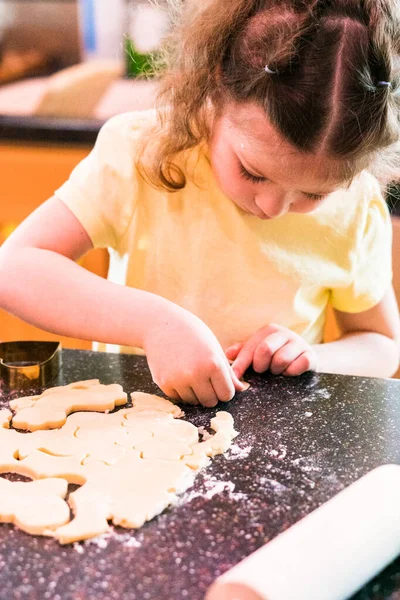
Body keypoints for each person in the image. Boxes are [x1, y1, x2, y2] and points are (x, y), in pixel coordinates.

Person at [1, 0, 400, 407]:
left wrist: (315, 357)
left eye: (315, 193)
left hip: (269, 439)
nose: (272, 206)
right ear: (216, 88)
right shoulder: (143, 153)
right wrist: (153, 324)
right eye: (252, 172)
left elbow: (382, 343)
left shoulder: (356, 203)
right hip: (133, 424)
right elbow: (14, 268)